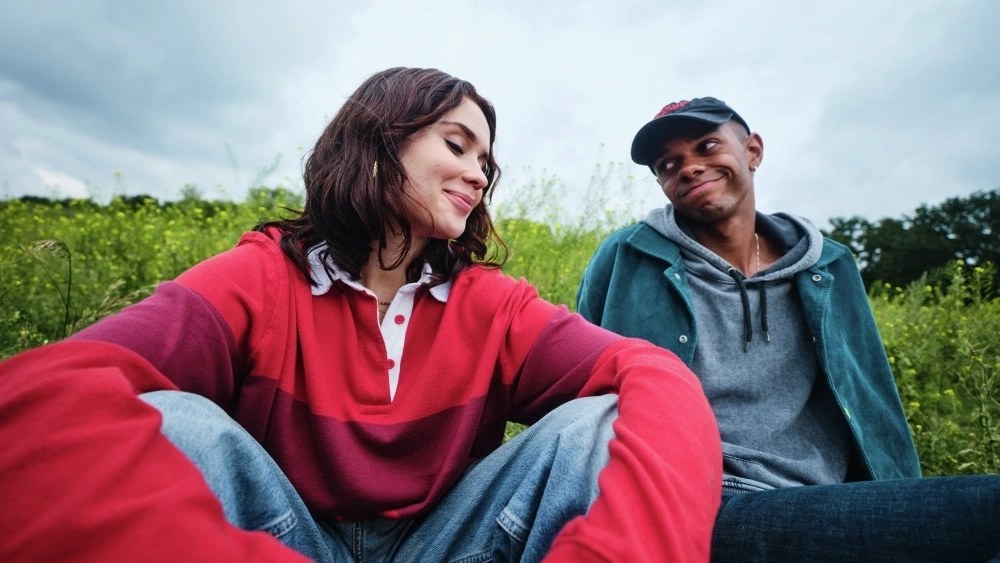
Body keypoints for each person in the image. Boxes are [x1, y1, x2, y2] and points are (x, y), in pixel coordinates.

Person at [0, 68, 722, 562]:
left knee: (598, 421)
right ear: (379, 140)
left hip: (450, 545)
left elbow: (651, 373)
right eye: (456, 144)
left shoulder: (494, 304)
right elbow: (52, 391)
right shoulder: (262, 276)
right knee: (175, 420)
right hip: (285, 537)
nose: (479, 172)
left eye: (486, 160)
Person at [576, 96, 1000, 562]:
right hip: (693, 501)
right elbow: (583, 390)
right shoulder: (627, 257)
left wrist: (905, 498)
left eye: (707, 146)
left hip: (822, 500)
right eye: (668, 163)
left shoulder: (831, 265)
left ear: (753, 151)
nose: (690, 168)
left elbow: (874, 397)